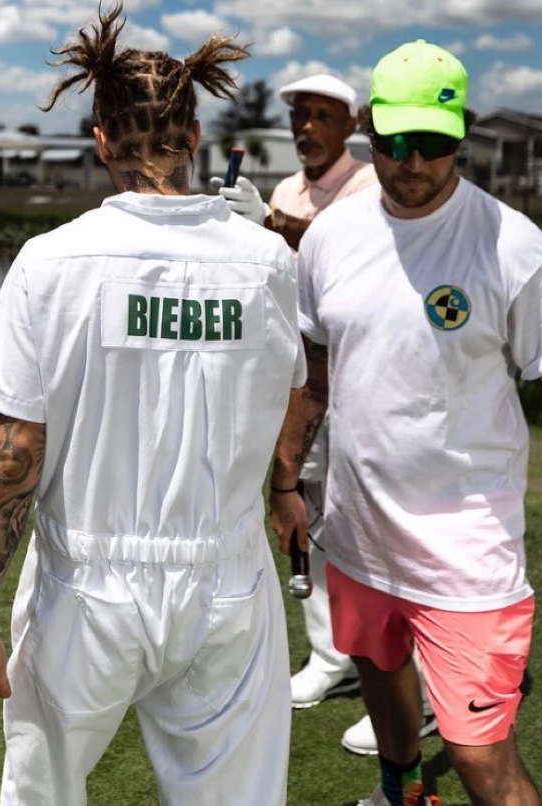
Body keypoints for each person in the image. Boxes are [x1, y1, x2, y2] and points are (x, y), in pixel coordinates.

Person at [0, 6, 307, 806]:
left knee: (44, 796)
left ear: (102, 139)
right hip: (228, 585)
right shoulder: (268, 262)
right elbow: (295, 389)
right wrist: (284, 486)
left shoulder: (53, 262)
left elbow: (11, 451)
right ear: (194, 133)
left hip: (87, 591)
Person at [270, 39, 542, 806]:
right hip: (360, 536)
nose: (412, 162)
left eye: (432, 144)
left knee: (477, 757)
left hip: (468, 561)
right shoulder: (331, 235)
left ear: (460, 134)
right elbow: (315, 372)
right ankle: (401, 793)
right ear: (369, 133)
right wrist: (285, 480)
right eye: (394, 143)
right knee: (383, 683)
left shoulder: (516, 249)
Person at [215, 73, 435, 755]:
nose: (306, 127)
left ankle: (420, 691)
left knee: (383, 532)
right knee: (304, 520)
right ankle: (334, 658)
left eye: (321, 116)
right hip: (303, 384)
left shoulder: (374, 182)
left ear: (351, 127)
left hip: (369, 390)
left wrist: (274, 226)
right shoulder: (283, 189)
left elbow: (349, 250)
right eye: (299, 116)